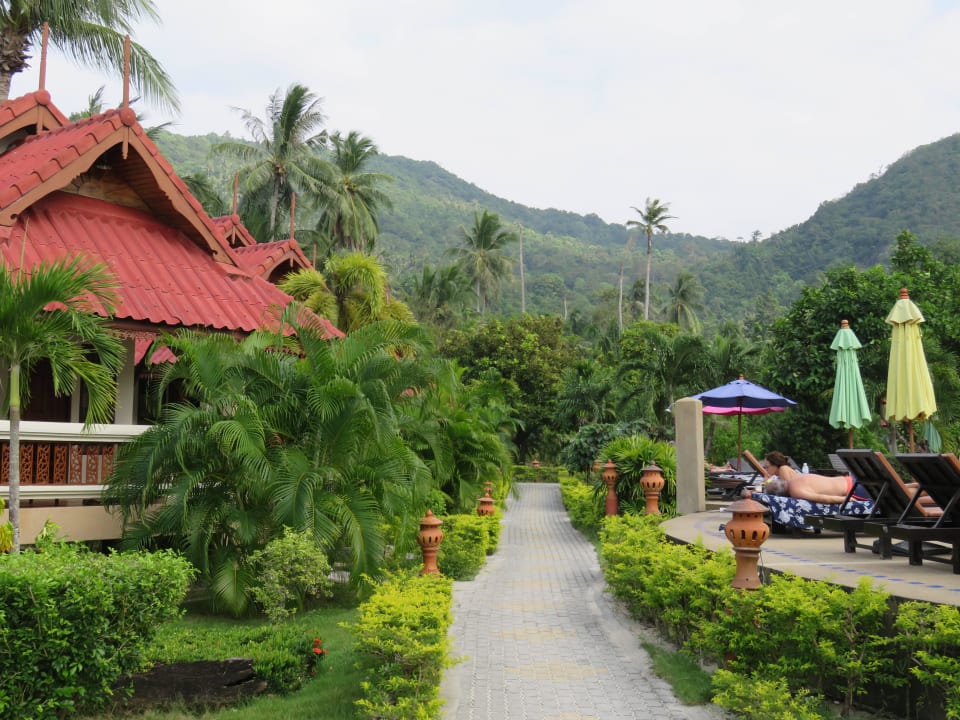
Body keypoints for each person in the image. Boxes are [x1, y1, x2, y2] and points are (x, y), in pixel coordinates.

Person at [759, 451, 870, 504]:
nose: (766, 469)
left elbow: (823, 498)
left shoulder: (794, 488)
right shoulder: (794, 482)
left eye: (767, 467)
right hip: (850, 481)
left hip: (854, 490)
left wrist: (847, 500)